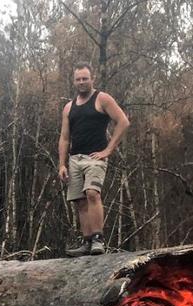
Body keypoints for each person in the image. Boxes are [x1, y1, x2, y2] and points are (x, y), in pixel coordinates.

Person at [58, 62, 130, 257]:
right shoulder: (69, 107)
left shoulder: (102, 99)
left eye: (85, 78)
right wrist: (62, 164)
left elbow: (123, 121)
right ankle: (87, 241)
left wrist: (108, 149)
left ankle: (98, 238)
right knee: (80, 201)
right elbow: (65, 137)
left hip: (95, 157)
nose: (82, 82)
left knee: (92, 193)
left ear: (92, 79)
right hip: (75, 158)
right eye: (78, 79)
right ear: (74, 81)